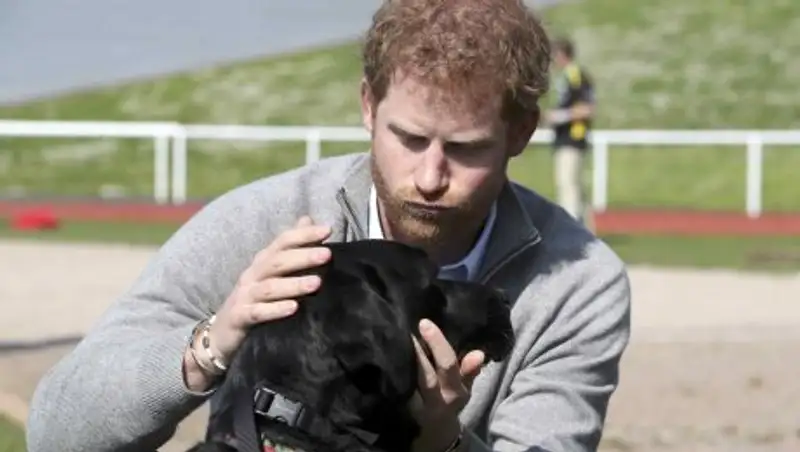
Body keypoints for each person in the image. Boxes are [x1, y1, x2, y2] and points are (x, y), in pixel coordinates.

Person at [26, 1, 631, 451]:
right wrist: (210, 344)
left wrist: (441, 441)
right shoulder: (264, 224)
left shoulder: (578, 284)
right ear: (368, 106)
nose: (429, 177)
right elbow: (56, 433)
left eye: (466, 149)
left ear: (523, 131)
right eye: (410, 138)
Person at [544, 36, 596, 224]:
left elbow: (587, 109)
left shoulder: (575, 76)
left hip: (572, 138)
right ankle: (585, 230)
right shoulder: (566, 77)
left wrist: (558, 116)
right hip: (567, 138)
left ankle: (571, 228)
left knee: (568, 186)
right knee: (575, 187)